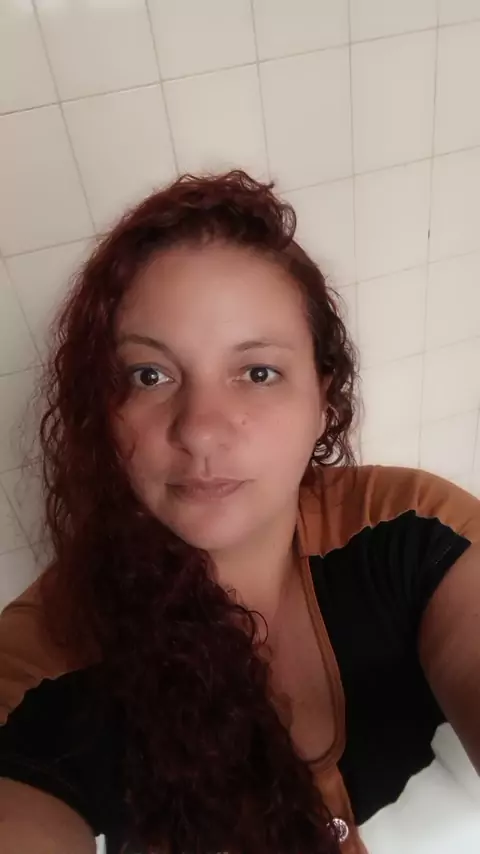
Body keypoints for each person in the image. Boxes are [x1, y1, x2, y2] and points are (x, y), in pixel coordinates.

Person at [0, 171, 479, 854]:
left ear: (324, 400)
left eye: (258, 372)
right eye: (149, 376)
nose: (200, 429)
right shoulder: (43, 664)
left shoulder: (410, 530)